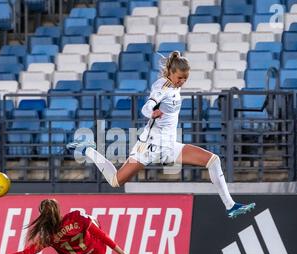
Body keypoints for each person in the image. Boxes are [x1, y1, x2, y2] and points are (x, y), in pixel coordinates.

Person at [67, 51, 255, 219]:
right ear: (171, 73)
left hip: (169, 145)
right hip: (150, 146)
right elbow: (146, 106)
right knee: (116, 180)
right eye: (180, 77)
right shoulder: (162, 87)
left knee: (213, 160)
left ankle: (230, 206)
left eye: (185, 78)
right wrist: (152, 113)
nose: (182, 81)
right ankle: (89, 150)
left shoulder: (175, 86)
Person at [0, 199, 141, 254]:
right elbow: (102, 235)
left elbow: (26, 253)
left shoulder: (47, 235)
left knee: (88, 222)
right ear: (58, 210)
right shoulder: (76, 217)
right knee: (91, 219)